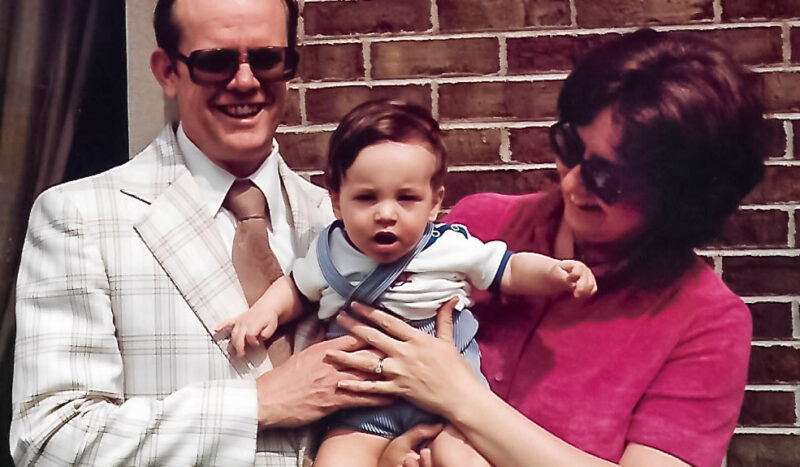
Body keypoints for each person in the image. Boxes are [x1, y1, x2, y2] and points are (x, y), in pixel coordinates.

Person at [328, 28, 766, 467]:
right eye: (570, 147)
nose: (573, 183)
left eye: (608, 178)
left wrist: (461, 398)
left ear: (682, 196)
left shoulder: (708, 321)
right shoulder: (481, 225)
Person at [10, 0, 386, 465]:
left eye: (267, 58)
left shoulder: (342, 224)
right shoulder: (80, 218)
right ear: (167, 71)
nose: (245, 81)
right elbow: (50, 440)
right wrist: (259, 403)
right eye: (215, 61)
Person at [216, 99, 597, 466]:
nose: (386, 213)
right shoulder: (331, 252)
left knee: (460, 458)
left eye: (407, 198)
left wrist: (554, 273)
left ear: (434, 203)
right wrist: (264, 312)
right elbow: (296, 289)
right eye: (367, 198)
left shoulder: (450, 247)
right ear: (337, 202)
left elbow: (508, 269)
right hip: (362, 407)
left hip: (447, 404)